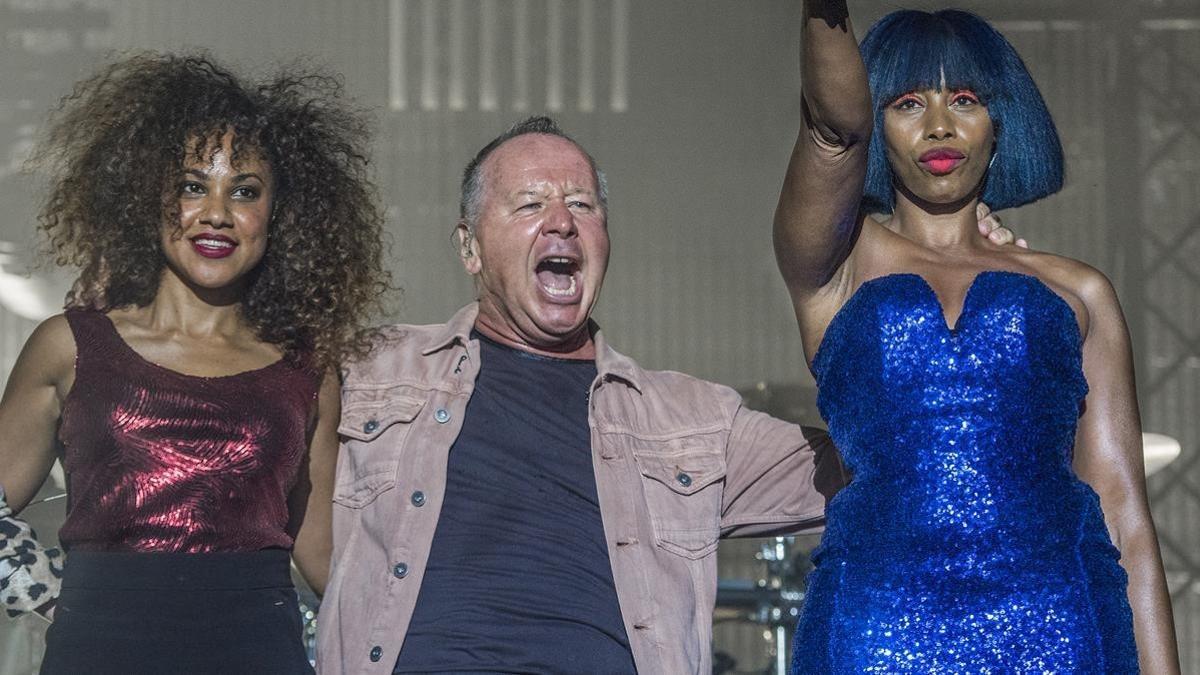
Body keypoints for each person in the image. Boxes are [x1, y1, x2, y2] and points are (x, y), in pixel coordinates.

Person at [316, 115, 1018, 674]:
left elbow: (898, 460)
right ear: (469, 246)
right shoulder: (371, 370)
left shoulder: (692, 421)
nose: (561, 221)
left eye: (582, 205)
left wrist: (952, 271)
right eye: (529, 203)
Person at [775, 2, 1179, 672]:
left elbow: (1126, 519)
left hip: (1061, 628)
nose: (939, 124)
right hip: (876, 631)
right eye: (907, 101)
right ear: (878, 122)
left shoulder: (1078, 292)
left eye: (963, 98)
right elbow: (830, 128)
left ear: (1000, 121)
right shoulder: (834, 265)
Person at [0, 53, 388, 673]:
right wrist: (53, 595)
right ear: (146, 199)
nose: (216, 212)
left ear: (277, 216)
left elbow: (326, 558)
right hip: (97, 654)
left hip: (259, 655)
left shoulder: (307, 371)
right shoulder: (71, 347)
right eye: (190, 185)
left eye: (245, 191)